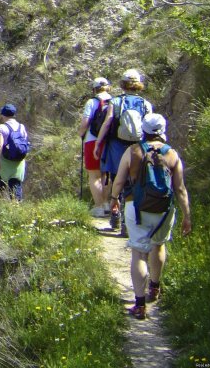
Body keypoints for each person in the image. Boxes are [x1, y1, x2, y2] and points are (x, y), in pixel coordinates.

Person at [109, 113, 191, 320]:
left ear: (143, 131)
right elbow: (180, 189)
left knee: (138, 253)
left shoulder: (133, 150)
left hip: (136, 207)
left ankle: (139, 304)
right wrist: (186, 216)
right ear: (163, 130)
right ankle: (154, 287)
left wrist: (113, 199)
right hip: (164, 210)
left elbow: (119, 181)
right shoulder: (172, 154)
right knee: (159, 245)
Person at [95, 69, 153, 234]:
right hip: (138, 148)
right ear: (138, 84)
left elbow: (107, 123)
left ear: (123, 84)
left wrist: (98, 143)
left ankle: (116, 217)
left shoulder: (116, 102)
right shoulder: (145, 104)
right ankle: (131, 222)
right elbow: (149, 128)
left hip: (116, 146)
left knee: (117, 181)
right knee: (134, 182)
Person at [81, 77, 112, 216]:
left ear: (94, 89)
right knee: (106, 174)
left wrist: (80, 133)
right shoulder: (115, 101)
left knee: (94, 175)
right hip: (110, 141)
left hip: (92, 140)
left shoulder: (92, 102)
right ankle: (106, 204)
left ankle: (99, 206)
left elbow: (85, 122)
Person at [0, 103, 29, 201]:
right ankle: (16, 206)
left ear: (3, 114)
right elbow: (25, 142)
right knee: (16, 184)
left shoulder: (2, 127)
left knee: (0, 183)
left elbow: (0, 145)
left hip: (6, 160)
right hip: (19, 160)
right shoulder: (21, 127)